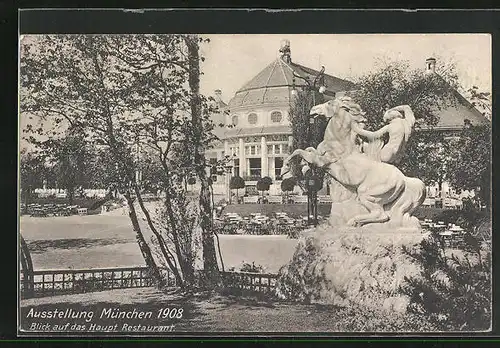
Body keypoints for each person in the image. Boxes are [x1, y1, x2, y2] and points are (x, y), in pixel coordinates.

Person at [351, 105, 416, 165]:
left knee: (365, 148)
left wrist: (357, 129)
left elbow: (374, 135)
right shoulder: (408, 123)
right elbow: (406, 107)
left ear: (390, 119)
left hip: (387, 153)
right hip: (398, 155)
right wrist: (392, 109)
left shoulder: (390, 126)